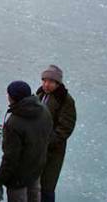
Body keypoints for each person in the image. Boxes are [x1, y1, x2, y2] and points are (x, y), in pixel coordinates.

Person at [0, 81, 52, 202]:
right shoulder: (44, 111)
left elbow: (10, 158)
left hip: (17, 178)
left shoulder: (14, 123)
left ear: (13, 98)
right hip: (36, 170)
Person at [36, 65, 76, 202]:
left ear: (57, 83)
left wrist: (46, 142)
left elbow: (65, 128)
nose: (46, 84)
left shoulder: (65, 100)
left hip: (52, 151)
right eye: (44, 81)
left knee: (47, 186)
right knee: (35, 185)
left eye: (50, 82)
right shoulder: (40, 95)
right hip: (37, 148)